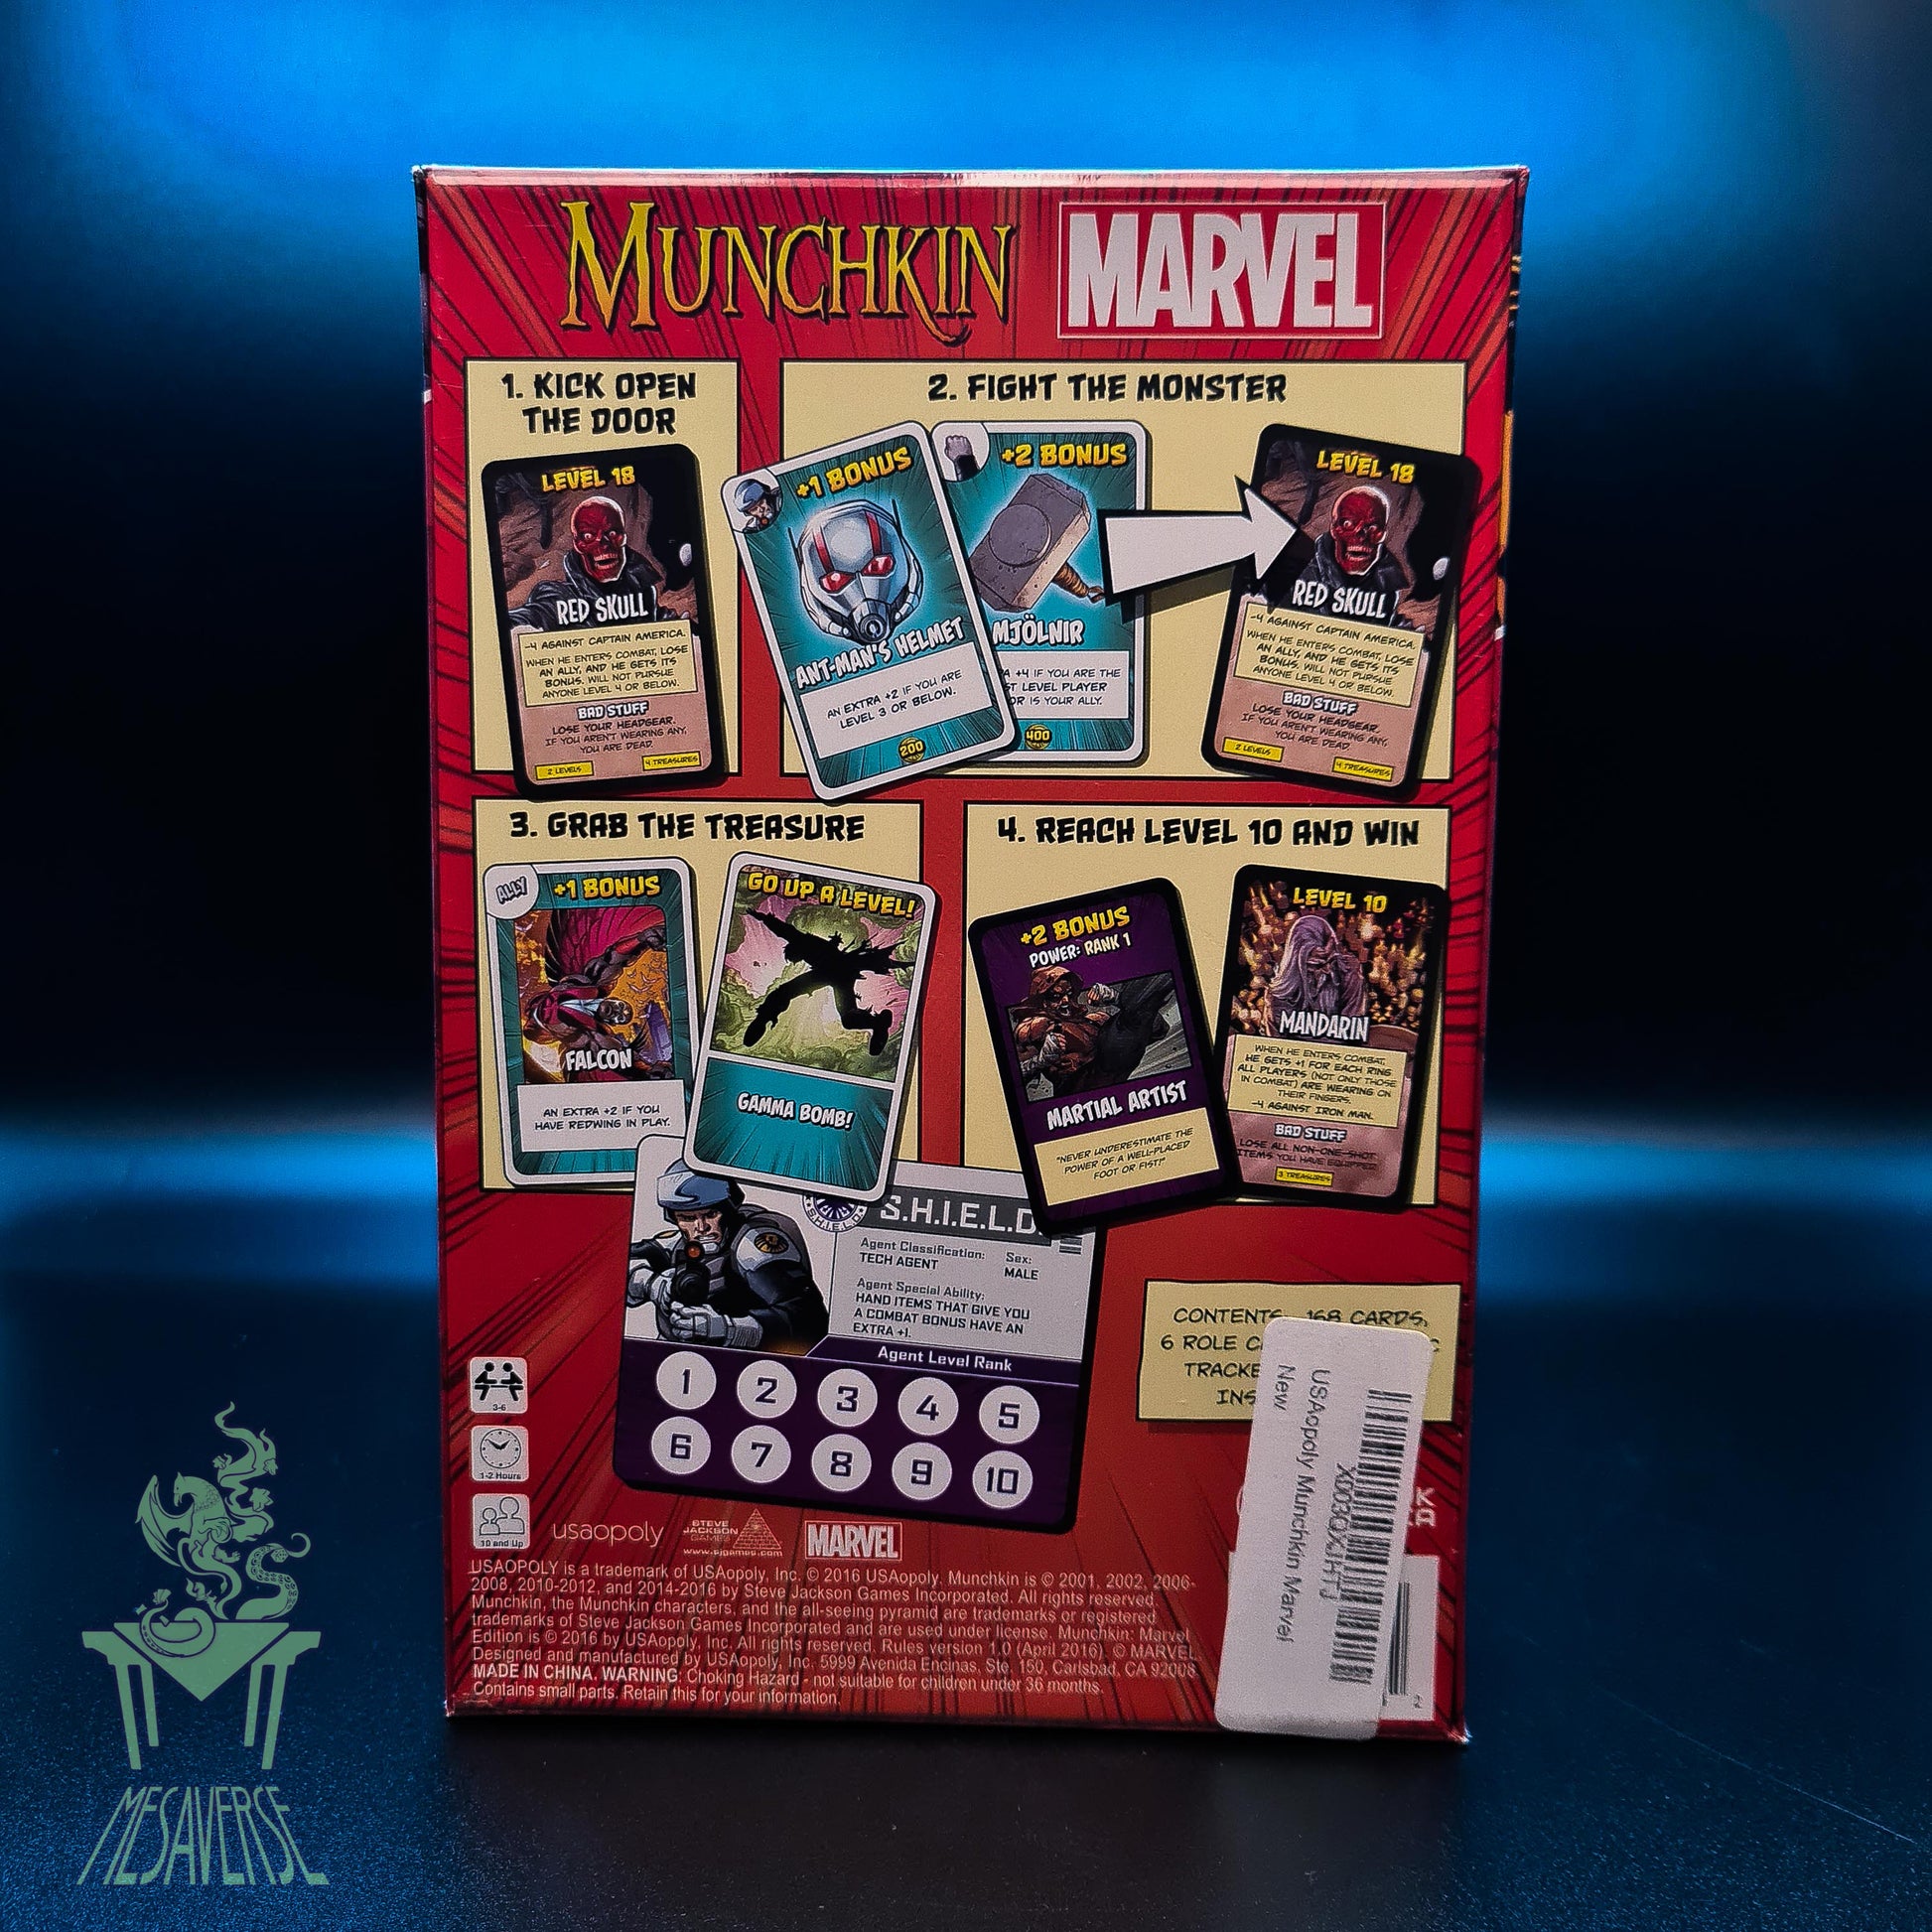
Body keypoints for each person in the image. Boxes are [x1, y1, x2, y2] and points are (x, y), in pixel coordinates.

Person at [625, 1163, 828, 1350]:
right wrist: (647, 1283)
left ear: (728, 1210)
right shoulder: (676, 1244)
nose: (701, 1227)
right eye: (687, 1218)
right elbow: (617, 1261)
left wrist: (730, 1329)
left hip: (749, 1362)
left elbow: (809, 1321)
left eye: (710, 1214)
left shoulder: (751, 1244)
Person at [508, 495, 665, 629]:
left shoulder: (641, 588)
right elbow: (534, 615)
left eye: (612, 533)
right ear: (577, 544)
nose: (603, 544)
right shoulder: (561, 599)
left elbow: (657, 618)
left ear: (623, 537)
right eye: (589, 536)